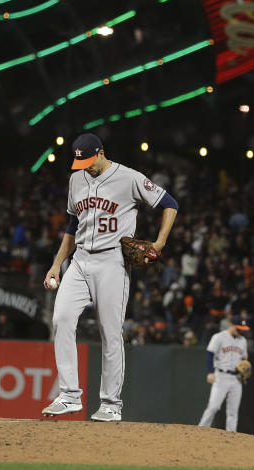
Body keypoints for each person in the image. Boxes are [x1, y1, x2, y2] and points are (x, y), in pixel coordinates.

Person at [42, 133, 178, 422]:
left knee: (110, 332)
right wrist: (56, 265)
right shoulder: (76, 179)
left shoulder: (128, 178)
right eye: (81, 162)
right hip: (79, 260)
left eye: (90, 161)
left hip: (112, 261)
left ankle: (111, 404)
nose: (86, 167)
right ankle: (68, 396)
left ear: (101, 153)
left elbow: (170, 203)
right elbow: (72, 225)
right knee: (61, 318)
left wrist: (159, 243)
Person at [198, 318, 250, 432]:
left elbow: (245, 358)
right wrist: (210, 372)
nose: (240, 331)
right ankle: (201, 430)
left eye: (242, 329)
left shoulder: (242, 340)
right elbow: (209, 355)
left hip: (236, 378)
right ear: (231, 325)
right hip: (221, 376)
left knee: (233, 411)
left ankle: (231, 435)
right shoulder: (219, 337)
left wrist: (245, 366)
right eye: (238, 328)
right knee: (213, 407)